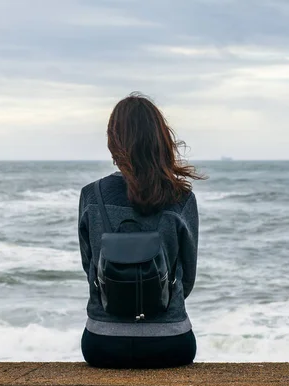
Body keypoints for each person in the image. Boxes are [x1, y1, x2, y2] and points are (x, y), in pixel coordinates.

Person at [78, 92, 205, 369]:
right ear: (160, 139)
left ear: (114, 141)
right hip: (170, 342)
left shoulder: (92, 196)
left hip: (102, 342)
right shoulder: (181, 198)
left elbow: (90, 268)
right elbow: (187, 279)